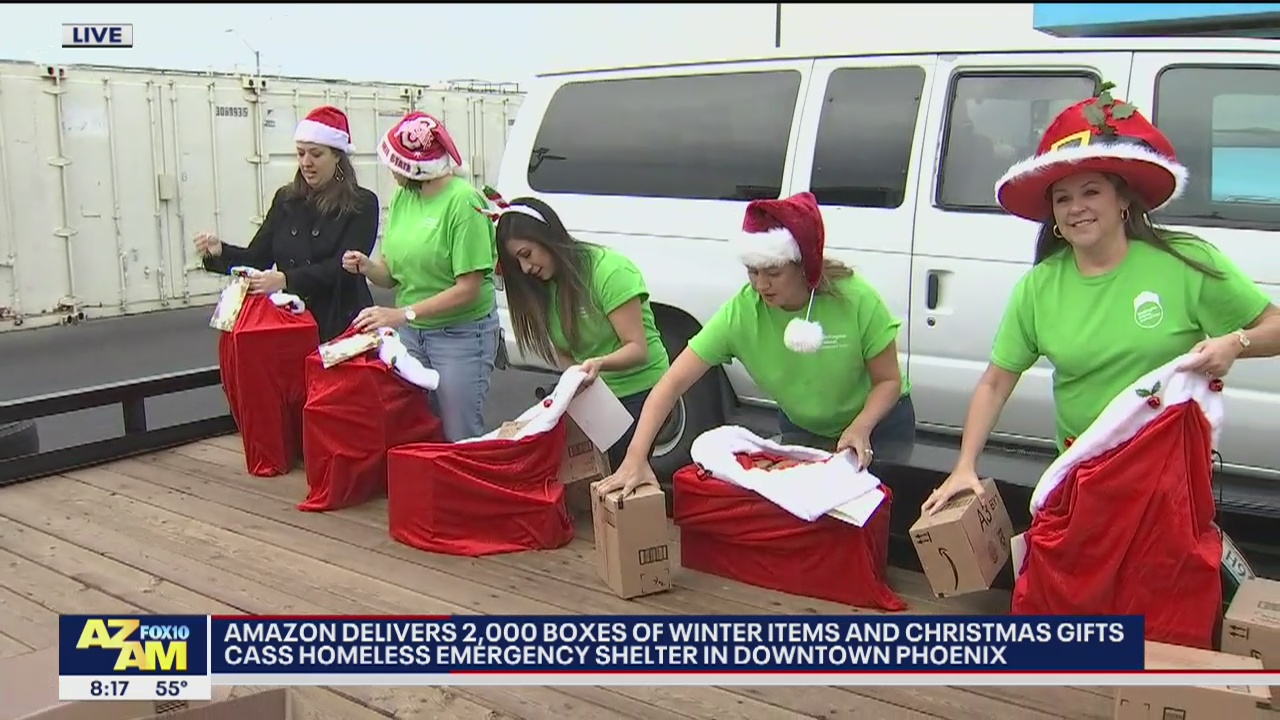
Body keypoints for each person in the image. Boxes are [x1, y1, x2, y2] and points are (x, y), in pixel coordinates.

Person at [922, 86, 1280, 515]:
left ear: (1123, 198)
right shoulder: (1039, 287)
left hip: (1169, 488)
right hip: (1082, 482)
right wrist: (964, 466)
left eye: (1091, 192)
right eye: (1063, 198)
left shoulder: (1186, 261)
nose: (1077, 208)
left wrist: (1234, 343)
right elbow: (996, 383)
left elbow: (1272, 326)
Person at [598, 191, 916, 495]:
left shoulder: (856, 299)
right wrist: (636, 457)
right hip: (803, 429)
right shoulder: (741, 314)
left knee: (876, 524)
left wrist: (861, 427)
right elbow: (670, 385)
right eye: (753, 272)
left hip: (878, 425)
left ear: (804, 264)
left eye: (773, 273)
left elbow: (888, 381)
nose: (761, 285)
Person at [341, 111, 499, 442]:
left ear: (417, 167)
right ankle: (428, 492)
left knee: (459, 431)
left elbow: (468, 288)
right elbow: (392, 275)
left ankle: (465, 492)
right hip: (412, 333)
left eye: (396, 164)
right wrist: (368, 267)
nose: (391, 171)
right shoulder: (403, 198)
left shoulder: (463, 202)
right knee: (417, 425)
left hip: (460, 335)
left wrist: (402, 314)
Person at [488, 193, 670, 468]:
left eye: (527, 255)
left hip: (643, 391)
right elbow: (563, 351)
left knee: (621, 475)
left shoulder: (608, 271)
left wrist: (598, 364)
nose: (526, 268)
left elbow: (637, 349)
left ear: (547, 237)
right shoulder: (543, 286)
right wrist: (575, 379)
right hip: (597, 396)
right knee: (574, 470)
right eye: (517, 263)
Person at [194, 105, 379, 343]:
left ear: (337, 156)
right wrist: (219, 251)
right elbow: (256, 258)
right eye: (301, 153)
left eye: (316, 154)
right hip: (293, 324)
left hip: (341, 326)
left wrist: (285, 279)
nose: (306, 162)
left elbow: (343, 268)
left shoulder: (361, 203)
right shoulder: (286, 199)